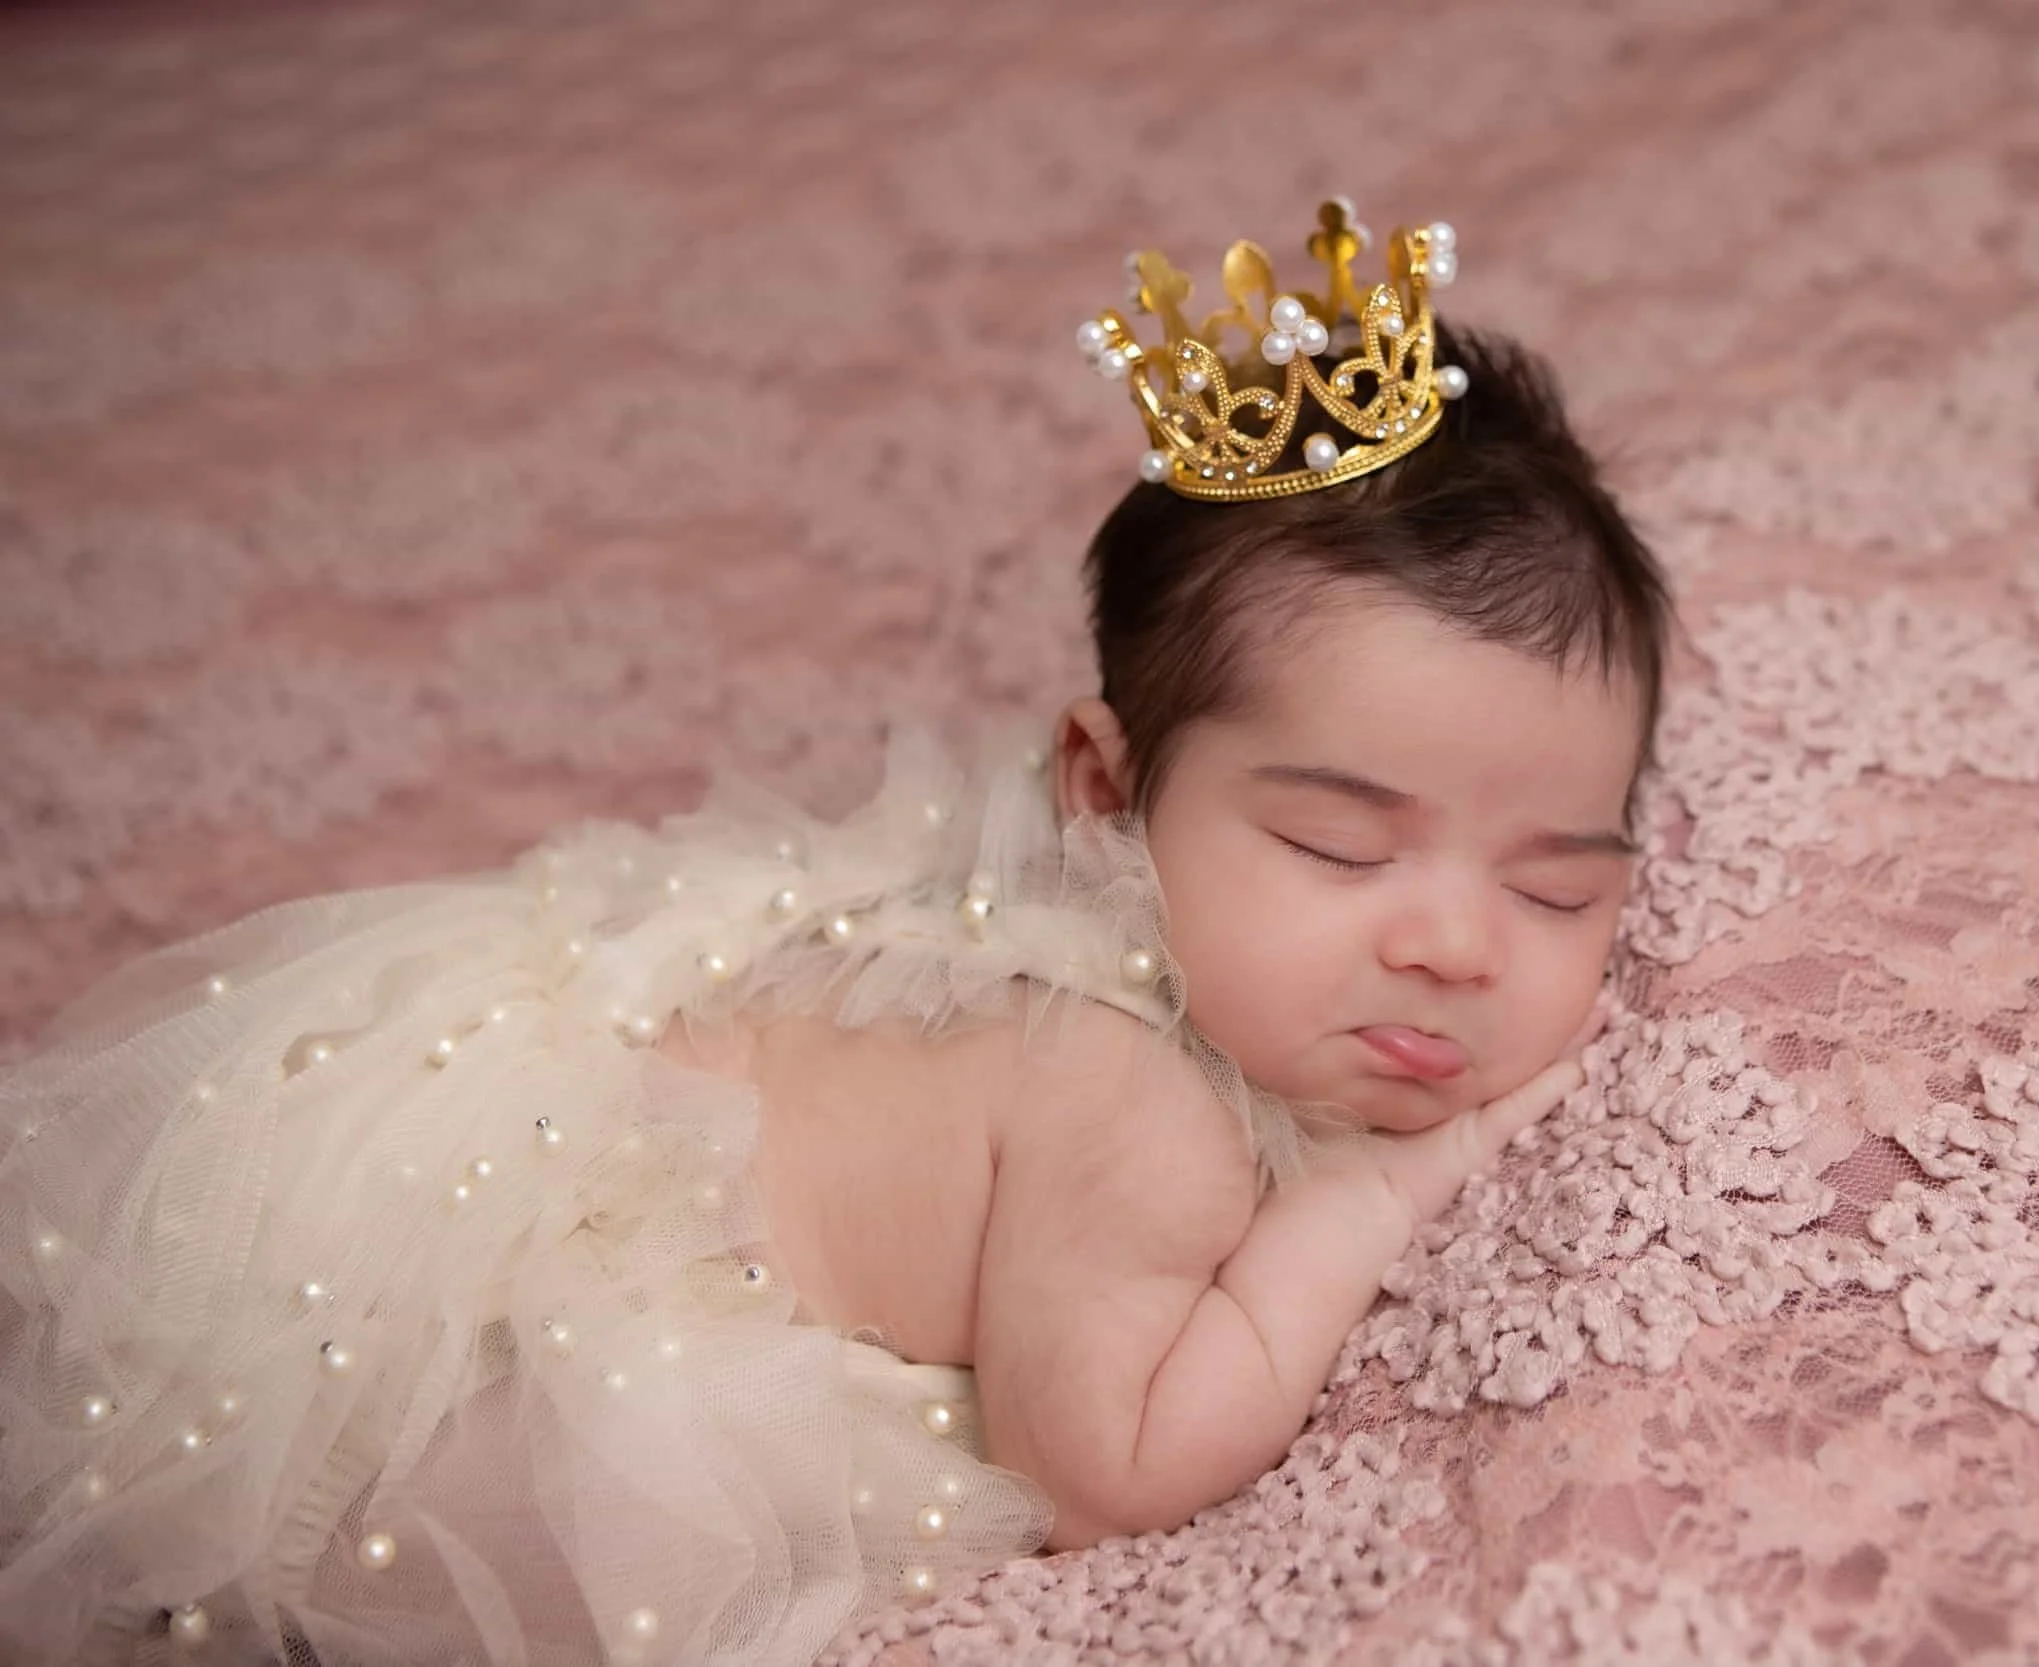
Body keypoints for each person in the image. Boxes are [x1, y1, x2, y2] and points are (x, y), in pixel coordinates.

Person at [0, 205, 1671, 1666]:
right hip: (512, 1360)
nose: (1456, 942)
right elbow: (1111, 1466)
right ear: (1103, 787)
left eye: (1556, 890)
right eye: (1336, 843)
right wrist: (1368, 1196)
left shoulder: (1052, 937)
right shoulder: (1133, 1100)